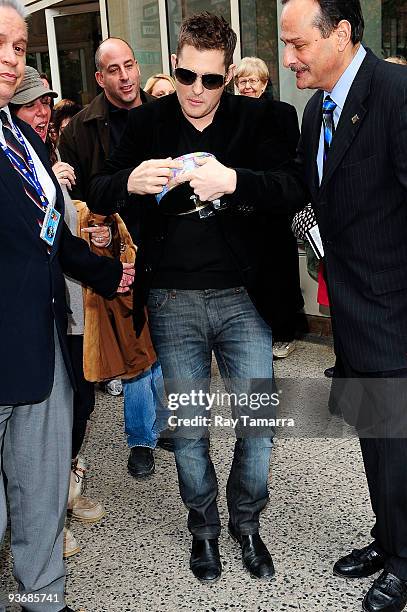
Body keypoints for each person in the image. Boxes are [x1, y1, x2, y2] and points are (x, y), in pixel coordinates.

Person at [88, 12, 306, 583]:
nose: (197, 92)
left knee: (257, 426)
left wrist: (233, 181)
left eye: (211, 80)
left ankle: (247, 522)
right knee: (189, 430)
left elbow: (294, 186)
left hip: (244, 298)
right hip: (172, 301)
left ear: (229, 74)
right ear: (176, 67)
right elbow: (99, 186)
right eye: (187, 77)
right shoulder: (147, 122)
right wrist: (128, 181)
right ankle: (204, 529)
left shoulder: (268, 118)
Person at [0, 1, 134, 610]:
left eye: (19, 48)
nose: (9, 59)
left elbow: (49, 238)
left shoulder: (19, 139)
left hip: (41, 343)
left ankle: (43, 596)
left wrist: (109, 273)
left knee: (41, 487)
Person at [281, 0, 407, 610]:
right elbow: (305, 193)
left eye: (298, 44)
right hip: (350, 317)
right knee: (375, 439)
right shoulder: (315, 111)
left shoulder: (396, 93)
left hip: (394, 315)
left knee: (399, 441)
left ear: (342, 34)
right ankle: (389, 539)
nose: (289, 57)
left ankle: (406, 562)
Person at [9, 66, 110, 558]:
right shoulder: (20, 153)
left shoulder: (35, 151)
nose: (42, 112)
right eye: (32, 104)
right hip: (27, 324)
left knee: (74, 414)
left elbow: (57, 232)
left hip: (61, 313)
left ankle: (60, 507)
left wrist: (99, 259)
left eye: (46, 102)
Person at [59, 38, 167, 477]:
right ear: (99, 78)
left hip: (168, 242)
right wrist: (95, 227)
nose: (125, 76)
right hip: (117, 254)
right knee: (134, 341)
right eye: (113, 70)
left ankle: (165, 425)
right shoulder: (80, 129)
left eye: (129, 66)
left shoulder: (165, 113)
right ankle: (141, 439)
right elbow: (77, 200)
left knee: (169, 341)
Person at [235, 56, 304, 359]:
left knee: (279, 271)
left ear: (264, 83)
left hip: (274, 207)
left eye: (253, 80)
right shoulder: (229, 116)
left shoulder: (283, 112)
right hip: (241, 207)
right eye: (242, 80)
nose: (248, 85)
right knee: (252, 274)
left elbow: (294, 158)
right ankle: (254, 332)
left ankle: (286, 331)